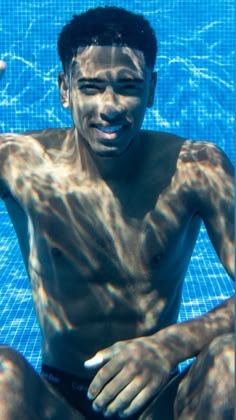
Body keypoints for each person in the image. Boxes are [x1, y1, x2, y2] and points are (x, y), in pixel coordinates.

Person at [0, 6, 234, 420]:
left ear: (152, 89)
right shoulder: (20, 162)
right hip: (61, 402)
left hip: (158, 402)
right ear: (64, 89)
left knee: (230, 360)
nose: (109, 107)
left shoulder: (196, 168)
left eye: (128, 86)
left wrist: (171, 344)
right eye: (90, 87)